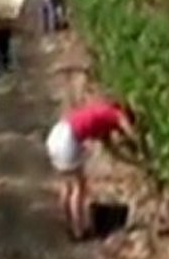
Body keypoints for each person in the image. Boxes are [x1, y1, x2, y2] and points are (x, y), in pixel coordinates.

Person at [45, 99, 142, 240]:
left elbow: (112, 151)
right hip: (68, 139)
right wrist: (140, 147)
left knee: (67, 185)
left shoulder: (102, 116)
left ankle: (69, 223)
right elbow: (128, 129)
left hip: (57, 133)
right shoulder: (115, 114)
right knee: (79, 186)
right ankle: (79, 231)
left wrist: (135, 162)